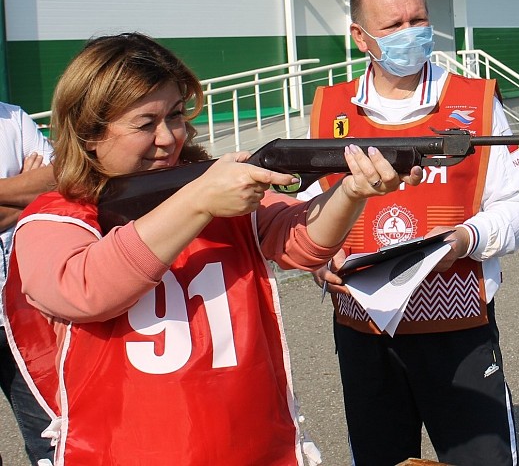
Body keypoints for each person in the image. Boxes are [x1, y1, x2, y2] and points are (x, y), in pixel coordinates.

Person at [1, 32, 422, 465]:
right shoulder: (56, 217)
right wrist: (197, 202)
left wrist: (351, 192)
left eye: (175, 115)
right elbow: (84, 289)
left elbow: (300, 242)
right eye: (145, 124)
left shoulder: (210, 187)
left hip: (254, 448)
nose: (168, 137)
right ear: (89, 132)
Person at [299, 0, 519, 466]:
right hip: (362, 332)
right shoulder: (329, 108)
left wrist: (466, 239)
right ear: (360, 36)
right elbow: (306, 212)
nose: (410, 33)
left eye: (419, 20)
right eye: (393, 26)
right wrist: (318, 259)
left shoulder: (476, 101)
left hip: (456, 327)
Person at [0, 100, 57, 465]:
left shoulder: (13, 118)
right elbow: (40, 194)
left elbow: (57, 184)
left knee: (52, 435)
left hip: (23, 313)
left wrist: (40, 192)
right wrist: (24, 190)